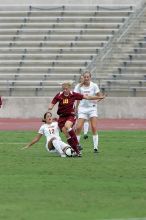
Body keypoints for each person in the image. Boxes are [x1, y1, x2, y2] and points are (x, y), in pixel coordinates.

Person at [48, 81, 105, 157]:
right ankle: (77, 151)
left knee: (67, 126)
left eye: (66, 89)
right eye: (63, 89)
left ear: (69, 88)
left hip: (70, 116)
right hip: (61, 117)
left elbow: (87, 97)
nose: (65, 90)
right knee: (67, 135)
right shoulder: (59, 95)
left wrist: (98, 97)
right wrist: (50, 107)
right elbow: (52, 103)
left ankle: (77, 144)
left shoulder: (73, 94)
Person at [74, 71, 106, 153]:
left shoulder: (94, 85)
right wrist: (75, 108)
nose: (86, 78)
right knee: (78, 128)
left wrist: (97, 101)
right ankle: (76, 147)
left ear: (90, 77)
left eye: (88, 77)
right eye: (85, 77)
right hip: (82, 108)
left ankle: (95, 148)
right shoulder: (78, 86)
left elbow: (100, 96)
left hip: (92, 109)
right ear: (83, 78)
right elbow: (75, 96)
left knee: (94, 127)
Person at [74, 75, 89, 140]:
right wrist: (76, 107)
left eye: (83, 78)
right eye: (81, 78)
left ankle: (85, 133)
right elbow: (76, 97)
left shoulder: (88, 86)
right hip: (79, 104)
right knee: (77, 119)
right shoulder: (78, 86)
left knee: (85, 119)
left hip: (86, 105)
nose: (83, 79)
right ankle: (76, 131)